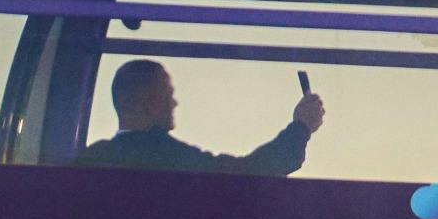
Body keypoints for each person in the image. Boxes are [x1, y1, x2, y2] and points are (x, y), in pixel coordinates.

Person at [72, 58, 323, 172]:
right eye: (165, 94)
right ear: (136, 101)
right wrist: (300, 127)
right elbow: (249, 173)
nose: (174, 103)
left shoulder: (89, 161)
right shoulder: (168, 157)